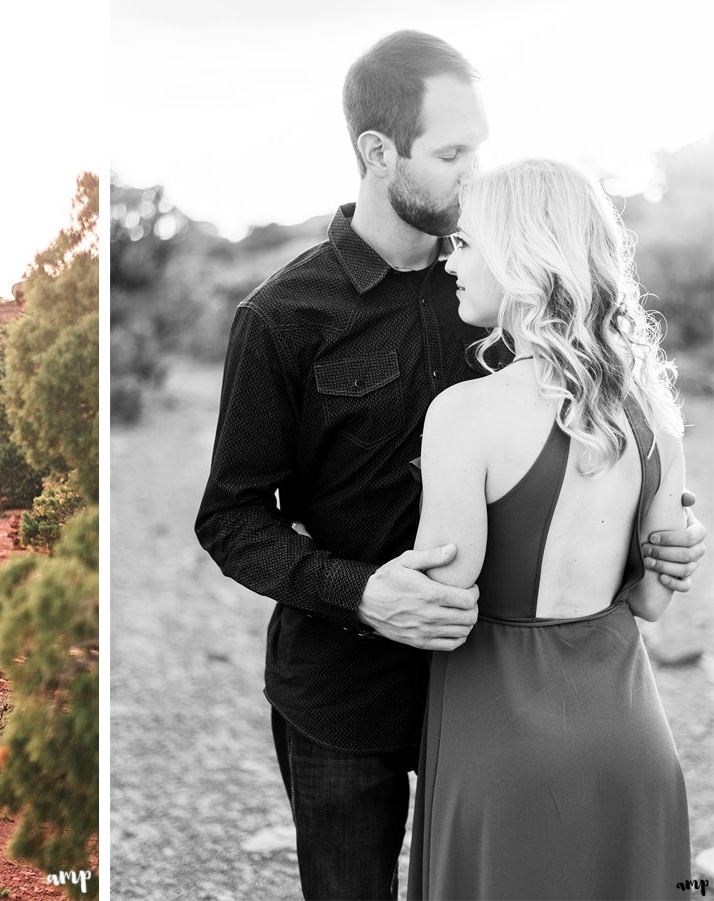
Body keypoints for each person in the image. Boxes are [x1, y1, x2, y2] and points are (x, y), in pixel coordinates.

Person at [193, 30, 704, 900]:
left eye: (482, 149)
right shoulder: (280, 315)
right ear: (376, 152)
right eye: (452, 152)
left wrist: (659, 535)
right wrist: (359, 590)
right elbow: (230, 518)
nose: (475, 176)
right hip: (345, 695)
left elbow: (583, 444)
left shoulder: (503, 281)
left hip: (502, 691)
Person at [405, 157, 691, 899]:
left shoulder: (465, 415)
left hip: (502, 746)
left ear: (518, 254)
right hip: (631, 743)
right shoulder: (652, 411)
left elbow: (443, 597)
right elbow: (655, 599)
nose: (450, 260)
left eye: (465, 242)